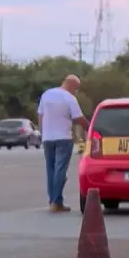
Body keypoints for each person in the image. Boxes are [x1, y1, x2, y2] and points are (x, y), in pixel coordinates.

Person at [37, 75, 90, 212]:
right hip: (63, 138)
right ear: (72, 85)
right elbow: (78, 117)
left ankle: (55, 201)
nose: (76, 91)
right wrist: (90, 127)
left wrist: (43, 133)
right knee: (60, 170)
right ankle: (55, 202)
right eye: (76, 89)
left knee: (51, 169)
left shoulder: (46, 95)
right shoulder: (69, 98)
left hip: (48, 138)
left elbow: (40, 115)